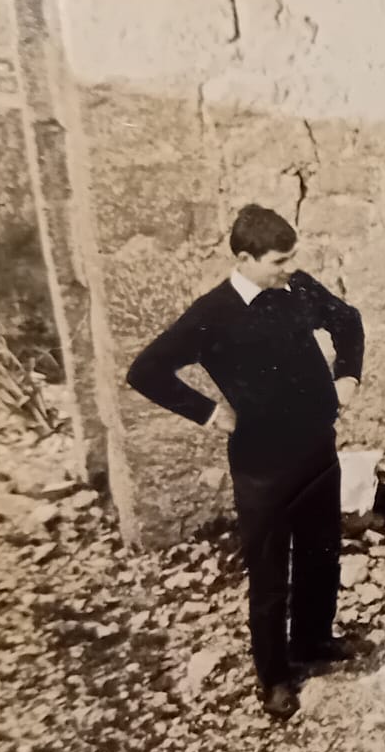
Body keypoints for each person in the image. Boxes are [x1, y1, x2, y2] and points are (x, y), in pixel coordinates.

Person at [126, 205, 366, 721]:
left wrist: (348, 376)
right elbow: (146, 370)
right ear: (244, 258)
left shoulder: (297, 288)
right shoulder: (211, 314)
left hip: (316, 448)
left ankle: (313, 640)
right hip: (262, 465)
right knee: (270, 571)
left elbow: (348, 321)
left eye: (292, 257)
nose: (289, 268)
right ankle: (274, 676)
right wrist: (210, 413)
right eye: (279, 260)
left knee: (321, 553)